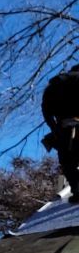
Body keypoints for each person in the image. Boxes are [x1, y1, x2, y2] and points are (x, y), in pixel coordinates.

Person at [42, 65, 79, 202]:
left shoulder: (53, 85)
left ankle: (77, 190)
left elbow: (45, 110)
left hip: (63, 128)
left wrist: (55, 129)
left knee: (67, 161)